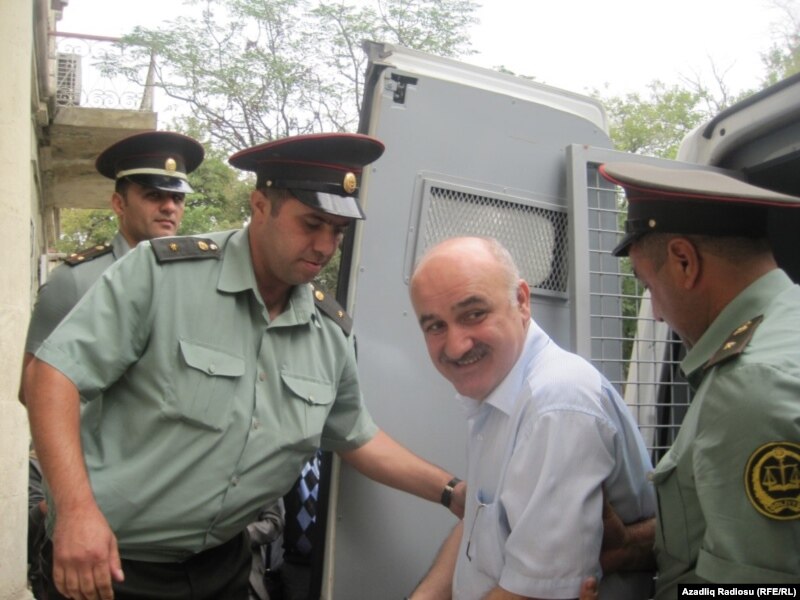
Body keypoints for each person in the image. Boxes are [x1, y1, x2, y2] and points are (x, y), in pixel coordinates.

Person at [23, 132, 465, 600]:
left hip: (223, 568)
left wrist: (451, 491)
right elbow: (51, 376)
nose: (325, 245)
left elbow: (357, 436)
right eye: (312, 223)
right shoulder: (160, 277)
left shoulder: (327, 332)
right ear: (260, 206)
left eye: (338, 230)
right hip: (110, 563)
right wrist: (74, 512)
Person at [578, 162, 800, 598]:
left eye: (649, 286)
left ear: (684, 261)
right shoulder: (782, 331)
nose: (658, 314)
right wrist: (630, 547)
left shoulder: (751, 383)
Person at [407, 236, 656, 600]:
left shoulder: (555, 406)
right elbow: (481, 521)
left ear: (522, 301)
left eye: (474, 314)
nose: (456, 345)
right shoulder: (500, 389)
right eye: (435, 326)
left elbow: (536, 594)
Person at [19, 129, 204, 401]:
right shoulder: (75, 280)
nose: (169, 207)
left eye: (177, 198)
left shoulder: (194, 283)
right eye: (154, 195)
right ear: (119, 204)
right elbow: (32, 389)